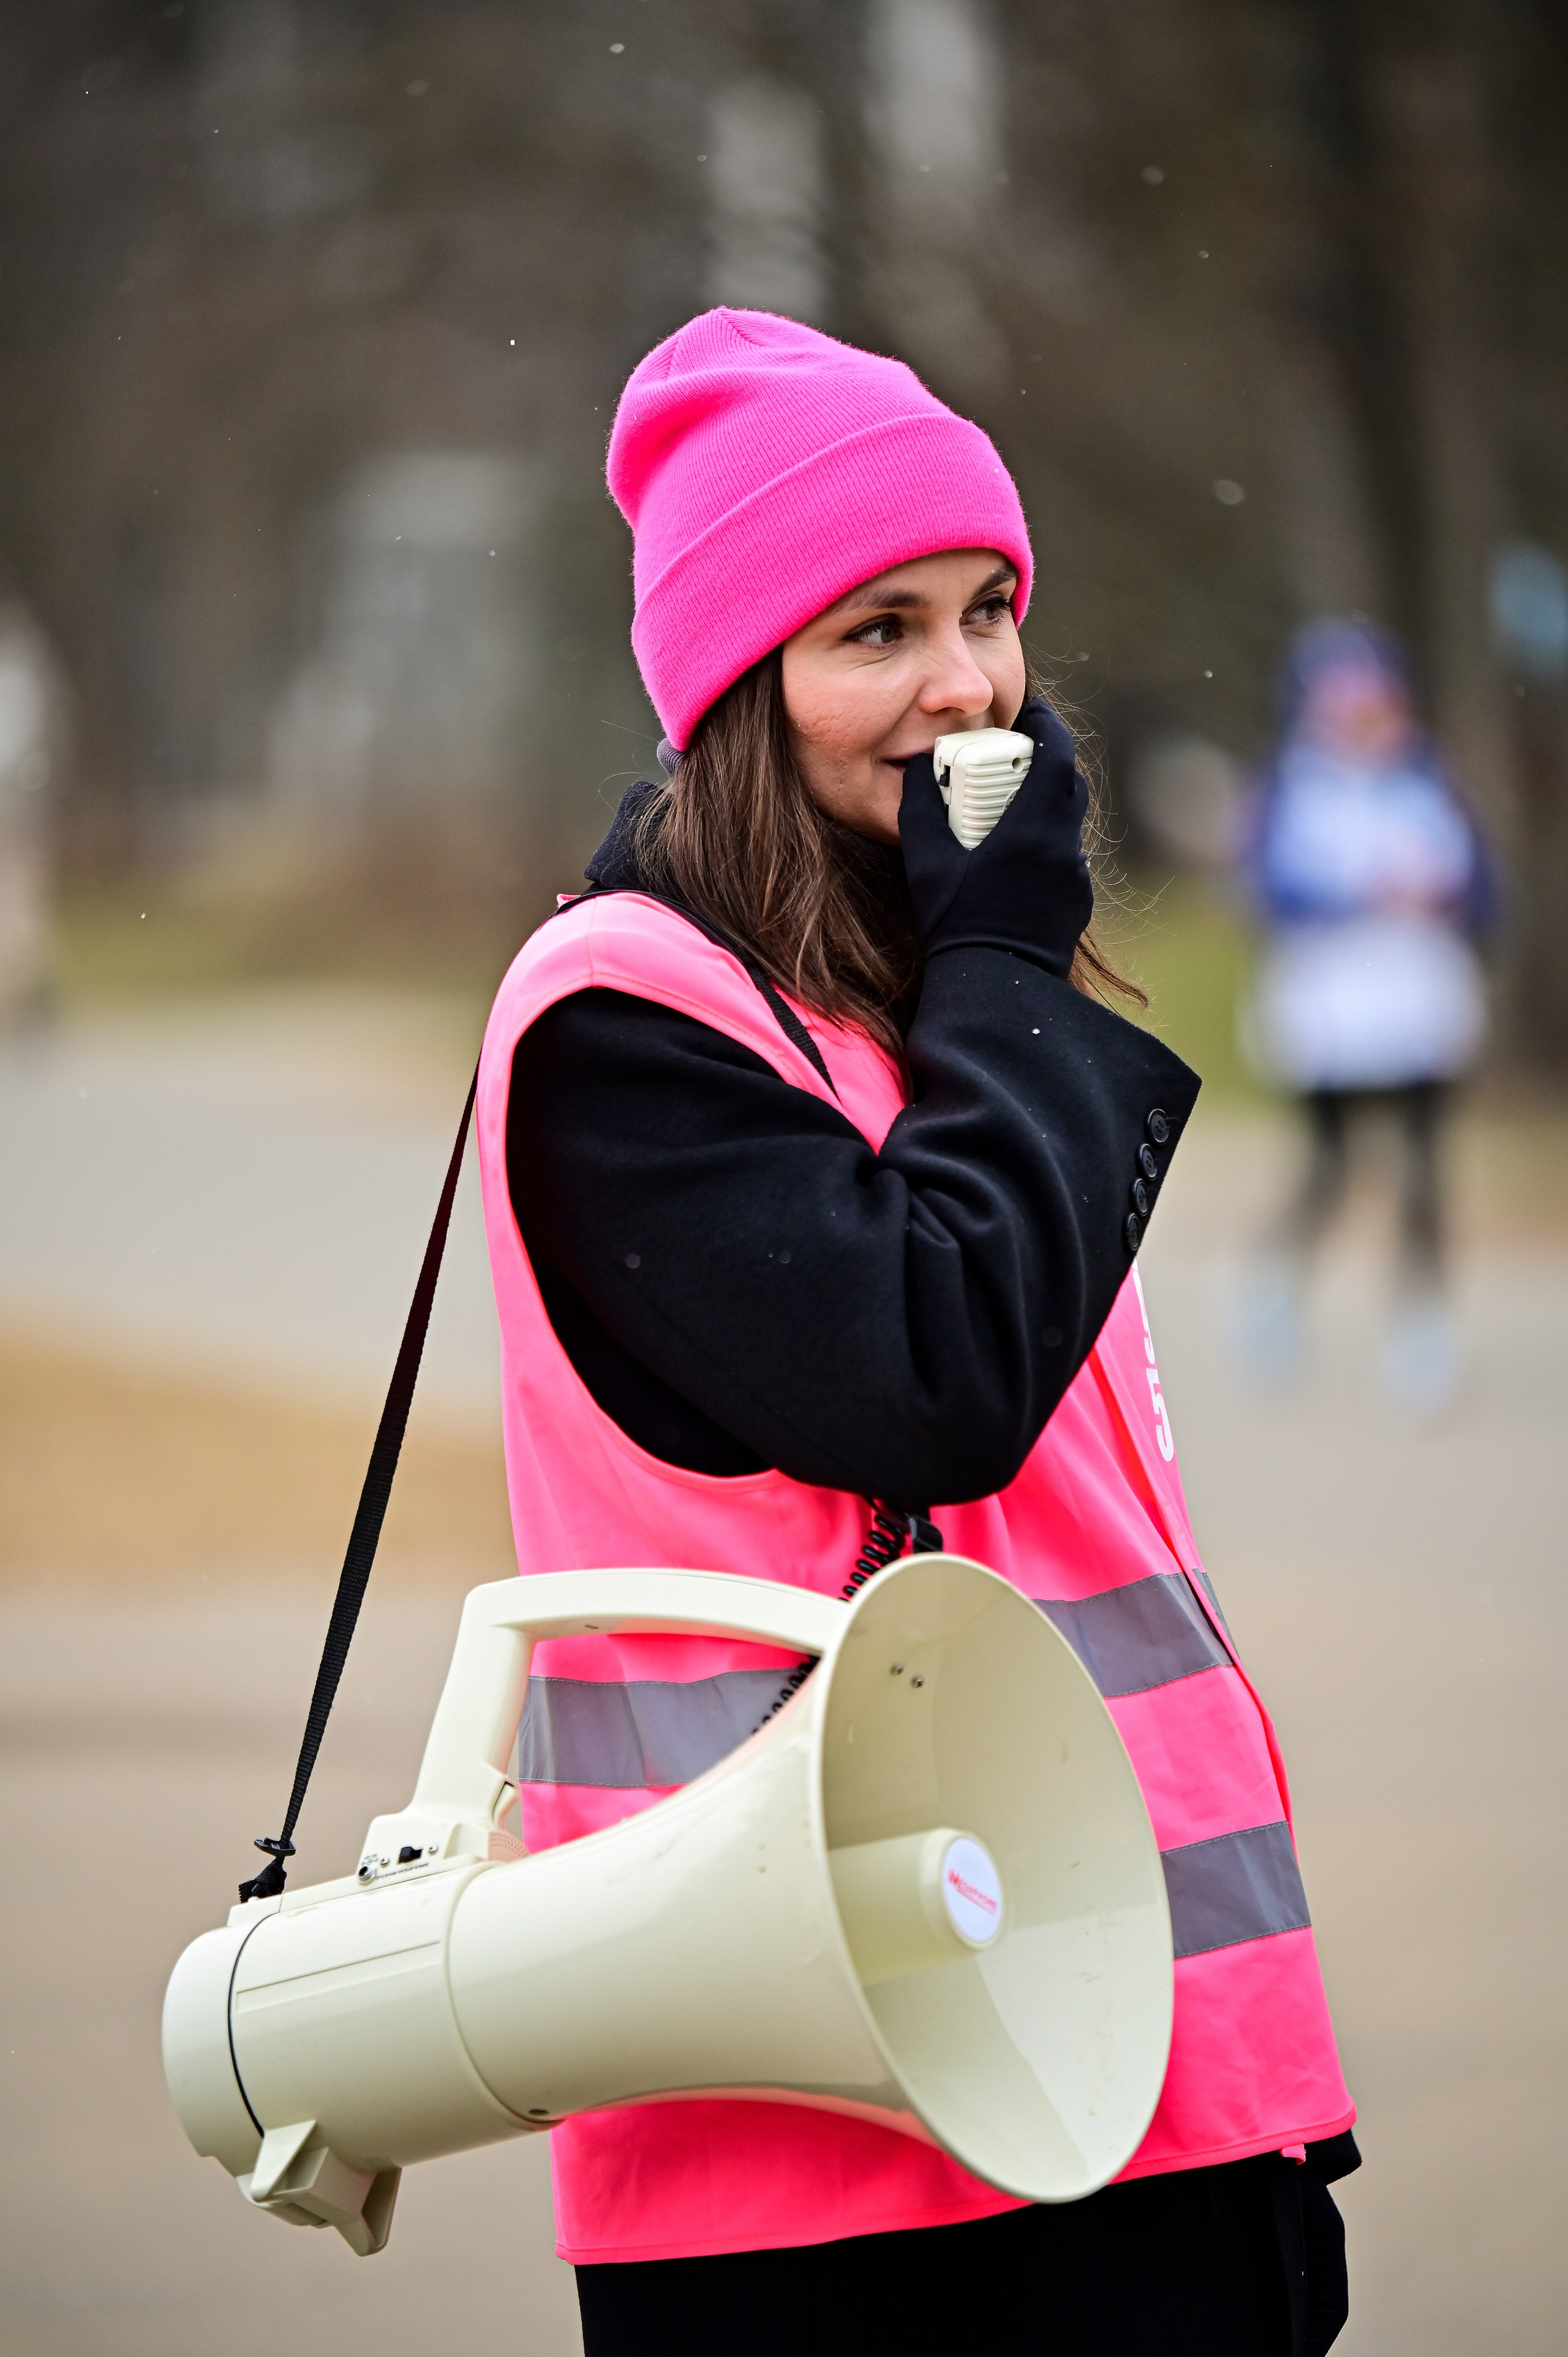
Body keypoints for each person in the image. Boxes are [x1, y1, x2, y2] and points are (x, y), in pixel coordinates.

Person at [477, 309, 1357, 2356]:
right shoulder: (631, 1023)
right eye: (876, 627)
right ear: (739, 686)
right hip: (844, 2147)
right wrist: (1011, 964)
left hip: (1132, 2082)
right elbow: (934, 1365)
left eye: (987, 610)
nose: (967, 682)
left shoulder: (908, 1015)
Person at [1235, 620, 1496, 1412]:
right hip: (1332, 1014)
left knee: (1422, 1171)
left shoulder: (1430, 779)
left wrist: (1442, 895)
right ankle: (1275, 1290)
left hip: (1419, 1007)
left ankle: (1423, 1327)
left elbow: (1484, 892)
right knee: (1330, 1169)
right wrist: (1365, 893)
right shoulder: (1291, 784)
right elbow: (1270, 890)